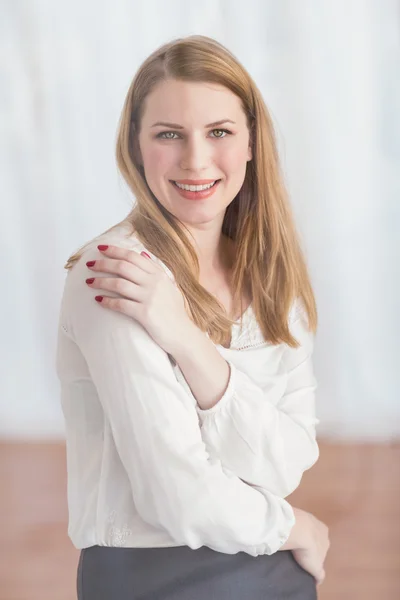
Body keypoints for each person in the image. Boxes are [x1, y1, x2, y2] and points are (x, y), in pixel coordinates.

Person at [56, 34, 330, 600]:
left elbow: (286, 464)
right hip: (154, 576)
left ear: (252, 142)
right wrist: (292, 526)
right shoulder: (111, 272)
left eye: (220, 133)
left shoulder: (272, 275)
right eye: (169, 135)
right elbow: (173, 493)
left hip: (269, 567)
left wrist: (185, 340)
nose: (196, 161)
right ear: (136, 148)